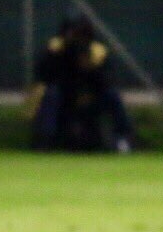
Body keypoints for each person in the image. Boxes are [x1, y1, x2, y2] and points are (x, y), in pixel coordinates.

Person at [30, 16, 138, 152]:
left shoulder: (98, 52)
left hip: (92, 97)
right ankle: (45, 139)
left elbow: (108, 81)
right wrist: (59, 58)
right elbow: (44, 76)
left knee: (112, 95)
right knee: (52, 93)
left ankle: (124, 138)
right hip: (65, 98)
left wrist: (91, 70)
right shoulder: (55, 49)